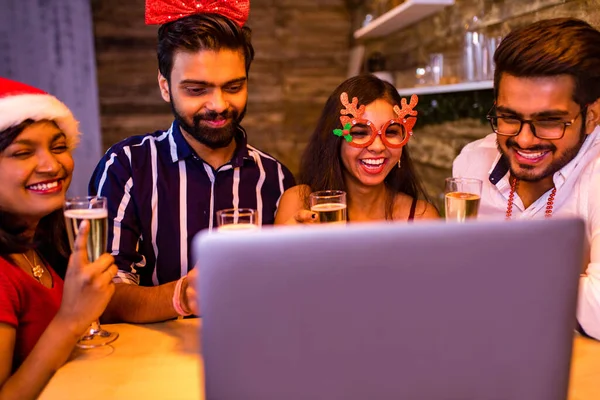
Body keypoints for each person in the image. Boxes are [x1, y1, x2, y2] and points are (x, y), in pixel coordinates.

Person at [89, 0, 295, 323]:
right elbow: (102, 295)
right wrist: (181, 296)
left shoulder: (277, 179)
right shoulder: (127, 167)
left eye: (234, 87)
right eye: (197, 89)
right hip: (150, 364)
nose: (218, 104)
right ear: (164, 87)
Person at [452, 18, 600, 339]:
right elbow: (456, 270)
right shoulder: (471, 162)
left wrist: (497, 273)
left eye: (549, 121)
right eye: (509, 117)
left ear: (591, 116)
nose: (525, 140)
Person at [0, 78, 117, 399]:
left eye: (58, 146)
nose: (51, 165)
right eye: (22, 152)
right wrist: (71, 319)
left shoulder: (38, 243)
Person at [275, 74, 438, 224]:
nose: (378, 146)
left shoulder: (422, 218)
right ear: (335, 141)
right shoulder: (299, 203)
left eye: (391, 132)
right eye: (360, 133)